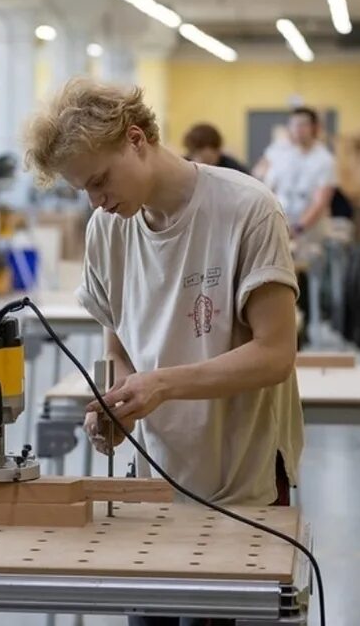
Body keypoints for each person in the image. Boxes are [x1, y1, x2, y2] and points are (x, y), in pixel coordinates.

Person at [24, 80, 301, 626]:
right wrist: (122, 402)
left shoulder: (247, 210)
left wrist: (162, 385)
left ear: (136, 139)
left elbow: (275, 354)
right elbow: (120, 345)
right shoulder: (108, 229)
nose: (96, 199)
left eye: (100, 180)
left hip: (243, 483)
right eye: (83, 189)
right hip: (153, 484)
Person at [256, 107, 336, 238]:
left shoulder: (324, 159)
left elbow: (320, 202)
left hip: (309, 231)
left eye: (303, 124)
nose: (298, 129)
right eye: (294, 124)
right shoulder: (279, 149)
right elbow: (259, 172)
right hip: (280, 222)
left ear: (314, 127)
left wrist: (298, 228)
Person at [182, 123, 249, 174]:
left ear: (217, 150)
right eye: (194, 154)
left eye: (208, 159)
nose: (199, 161)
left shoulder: (232, 168)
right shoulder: (184, 165)